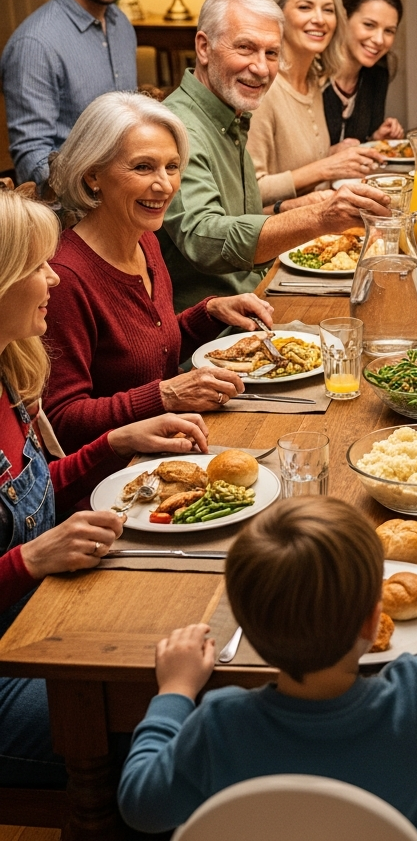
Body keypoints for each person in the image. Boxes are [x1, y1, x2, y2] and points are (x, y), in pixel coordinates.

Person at [117, 496, 417, 837]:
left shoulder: (220, 725)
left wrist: (174, 691)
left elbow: (140, 804)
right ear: (372, 622)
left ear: (246, 631)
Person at [0, 188, 210, 787]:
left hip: (43, 616)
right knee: (191, 724)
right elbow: (28, 541)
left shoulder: (11, 371)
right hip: (12, 661)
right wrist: (30, 560)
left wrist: (116, 443)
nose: (56, 281)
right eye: (38, 267)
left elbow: (34, 494)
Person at [44, 93, 279, 452]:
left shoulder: (145, 240)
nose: (165, 185)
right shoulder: (64, 277)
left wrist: (207, 314)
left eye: (172, 167)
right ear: (93, 175)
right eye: (143, 167)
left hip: (174, 442)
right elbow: (61, 423)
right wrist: (166, 395)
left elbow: (151, 355)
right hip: (115, 480)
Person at [158, 0, 391, 311]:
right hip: (212, 329)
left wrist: (300, 206)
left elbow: (239, 219)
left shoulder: (231, 115)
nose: (262, 68)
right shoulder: (176, 128)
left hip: (260, 293)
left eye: (271, 53)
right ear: (203, 47)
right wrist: (318, 216)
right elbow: (204, 239)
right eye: (245, 48)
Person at [0, 0, 136, 189]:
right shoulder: (35, 43)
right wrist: (96, 193)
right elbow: (32, 159)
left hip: (128, 200)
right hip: (72, 217)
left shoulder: (121, 24)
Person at [248, 0, 389, 208]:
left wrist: (335, 155)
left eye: (328, 10)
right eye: (305, 7)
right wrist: (326, 167)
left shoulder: (314, 82)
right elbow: (251, 191)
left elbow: (298, 165)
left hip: (319, 219)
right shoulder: (262, 88)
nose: (320, 19)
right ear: (277, 14)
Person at [323, 0, 406, 147]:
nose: (379, 40)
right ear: (344, 19)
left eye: (389, 31)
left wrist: (375, 139)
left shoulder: (378, 73)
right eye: (369, 25)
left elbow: (358, 145)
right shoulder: (312, 73)